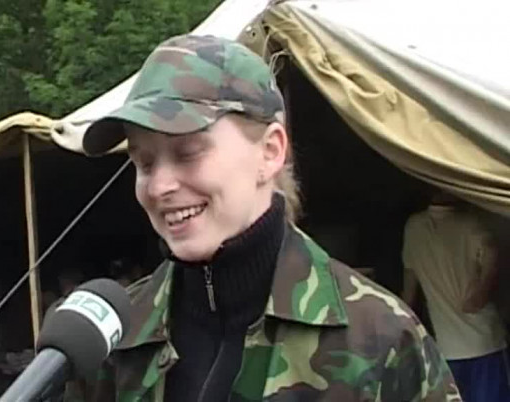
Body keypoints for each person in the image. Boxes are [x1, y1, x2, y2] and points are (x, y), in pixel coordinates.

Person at [65, 34, 459, 401]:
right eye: (144, 162)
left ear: (270, 152)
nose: (158, 186)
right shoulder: (114, 340)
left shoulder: (379, 337)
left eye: (187, 153)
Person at [402, 192, 509, 401]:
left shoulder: (413, 228)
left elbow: (408, 297)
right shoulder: (473, 224)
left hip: (447, 350)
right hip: (484, 344)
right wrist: (481, 290)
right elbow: (492, 253)